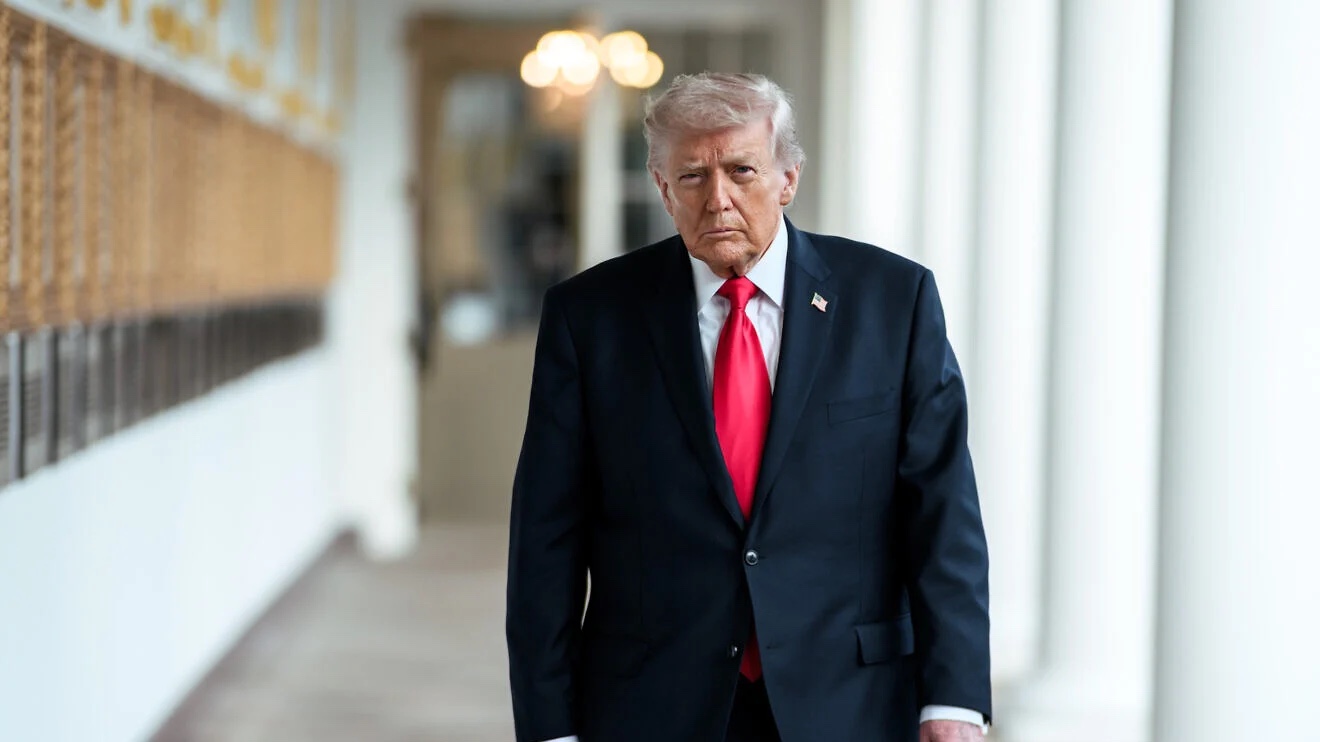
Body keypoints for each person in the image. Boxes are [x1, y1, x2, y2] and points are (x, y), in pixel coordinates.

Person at [506, 72, 990, 742]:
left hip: (848, 699)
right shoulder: (589, 318)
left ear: (788, 178)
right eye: (694, 176)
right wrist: (548, 725)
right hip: (653, 701)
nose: (719, 199)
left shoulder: (894, 303)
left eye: (742, 170)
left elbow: (943, 515)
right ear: (661, 186)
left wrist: (954, 699)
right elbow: (546, 540)